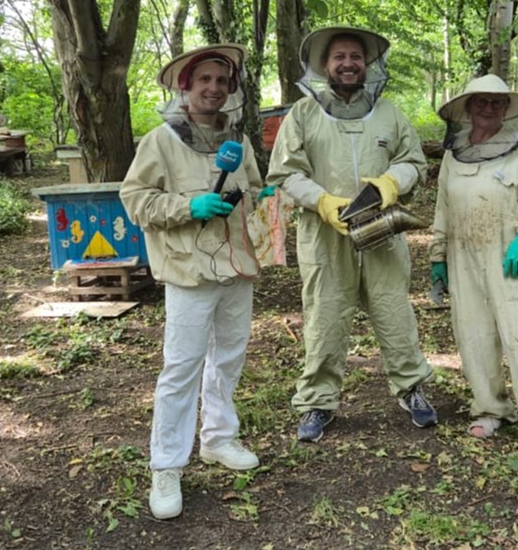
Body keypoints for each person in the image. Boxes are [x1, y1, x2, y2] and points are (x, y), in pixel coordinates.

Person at [119, 43, 271, 519]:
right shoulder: (160, 140)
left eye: (221, 82)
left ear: (231, 91)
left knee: (228, 357)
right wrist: (189, 207)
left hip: (234, 266)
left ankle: (219, 438)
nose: (213, 88)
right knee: (181, 367)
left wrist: (266, 195)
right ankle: (166, 465)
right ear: (185, 87)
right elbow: (135, 199)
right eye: (203, 80)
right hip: (188, 271)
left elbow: (252, 188)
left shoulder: (238, 140)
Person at [267, 26, 437, 443]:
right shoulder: (303, 115)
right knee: (324, 318)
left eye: (355, 57)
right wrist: (323, 201)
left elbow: (415, 162)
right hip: (324, 236)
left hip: (383, 232)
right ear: (325, 65)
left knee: (395, 312)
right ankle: (318, 403)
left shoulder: (390, 114)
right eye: (339, 56)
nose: (348, 63)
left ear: (368, 64)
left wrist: (391, 183)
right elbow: (285, 173)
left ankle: (412, 388)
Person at [428, 74, 518, 459]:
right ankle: (491, 408)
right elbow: (443, 208)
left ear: (507, 108)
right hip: (464, 259)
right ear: (468, 107)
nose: (488, 108)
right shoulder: (452, 155)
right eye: (481, 102)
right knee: (474, 337)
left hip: (512, 259)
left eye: (497, 102)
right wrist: (438, 256)